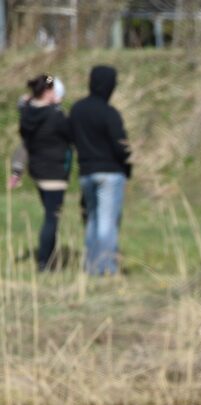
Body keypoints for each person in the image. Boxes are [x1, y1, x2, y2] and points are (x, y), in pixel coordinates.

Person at [70, 65, 132, 276]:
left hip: (86, 172)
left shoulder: (77, 109)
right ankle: (106, 268)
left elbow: (70, 136)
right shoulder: (109, 113)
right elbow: (121, 146)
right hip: (110, 173)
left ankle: (91, 266)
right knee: (107, 222)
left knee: (93, 221)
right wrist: (127, 164)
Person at [18, 74, 72, 271]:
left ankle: (48, 259)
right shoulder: (55, 116)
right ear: (49, 93)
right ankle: (45, 262)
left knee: (49, 214)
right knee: (52, 217)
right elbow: (71, 134)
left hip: (38, 171)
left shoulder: (27, 114)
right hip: (55, 173)